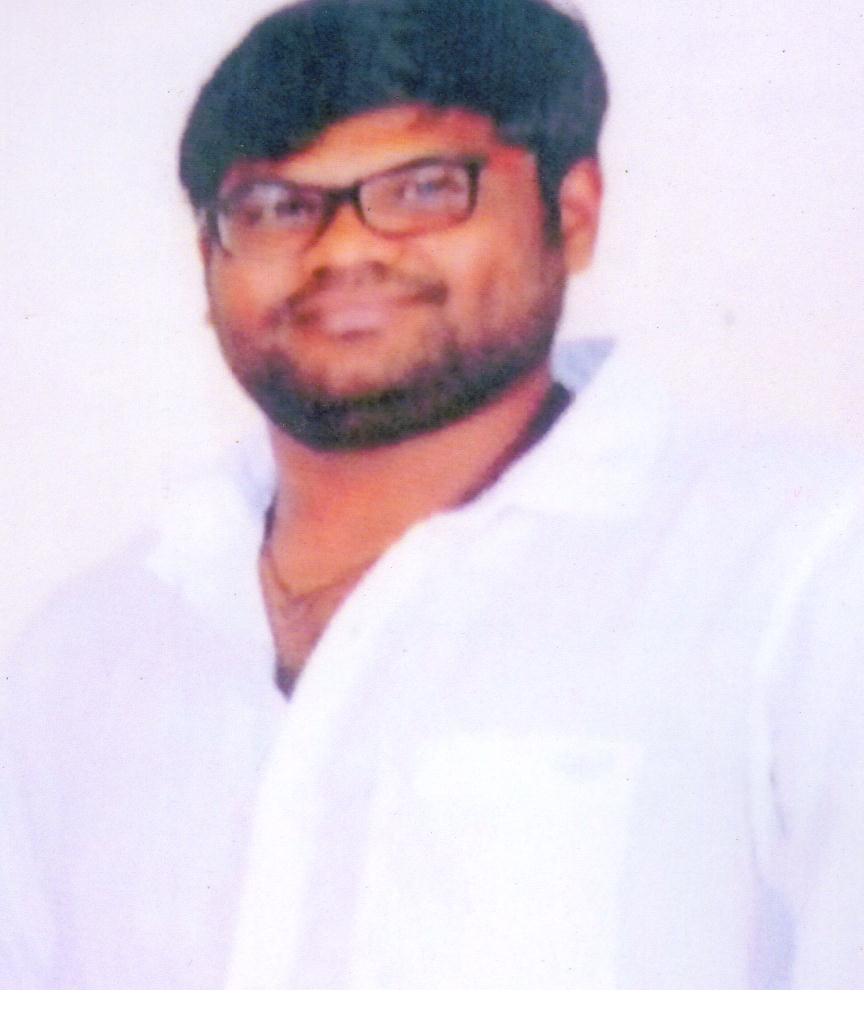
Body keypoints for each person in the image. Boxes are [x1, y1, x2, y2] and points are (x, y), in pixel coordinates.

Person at [2, 0, 863, 990]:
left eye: (422, 188)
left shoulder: (800, 573)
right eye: (276, 207)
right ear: (208, 259)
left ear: (574, 214)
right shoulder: (87, 653)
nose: (341, 250)